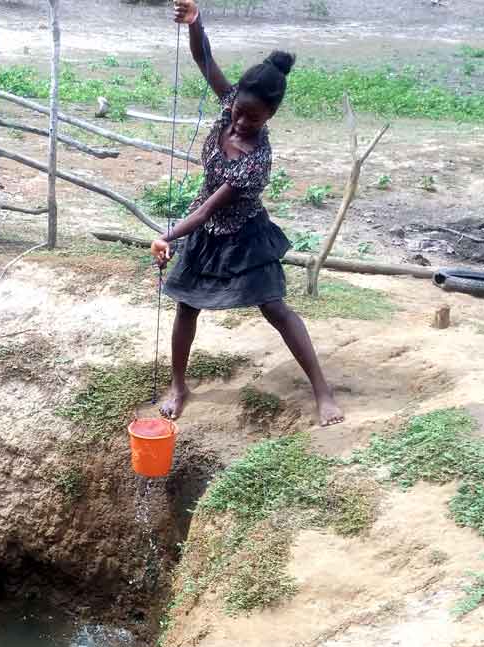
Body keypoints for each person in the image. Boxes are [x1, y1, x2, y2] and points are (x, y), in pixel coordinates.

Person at [151, 0, 343, 427]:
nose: (240, 122)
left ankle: (323, 391)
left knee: (275, 308)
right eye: (238, 111)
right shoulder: (230, 103)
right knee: (186, 307)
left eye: (253, 120)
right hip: (206, 232)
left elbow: (206, 211)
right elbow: (203, 58)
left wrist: (167, 236)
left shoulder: (256, 162)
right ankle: (179, 386)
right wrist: (195, 22)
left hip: (242, 234)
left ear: (270, 115)